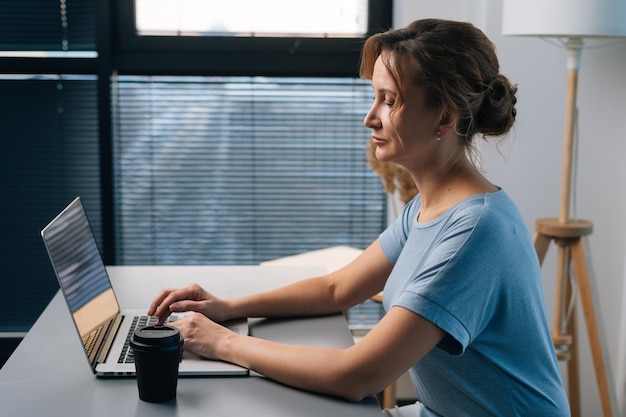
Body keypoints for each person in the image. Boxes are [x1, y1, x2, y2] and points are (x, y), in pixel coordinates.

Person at [148, 19, 570, 417]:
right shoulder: (430, 207)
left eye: (389, 101)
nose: (370, 117)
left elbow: (358, 376)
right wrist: (228, 307)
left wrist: (221, 342)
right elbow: (338, 288)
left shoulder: (474, 231)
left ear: (444, 116)